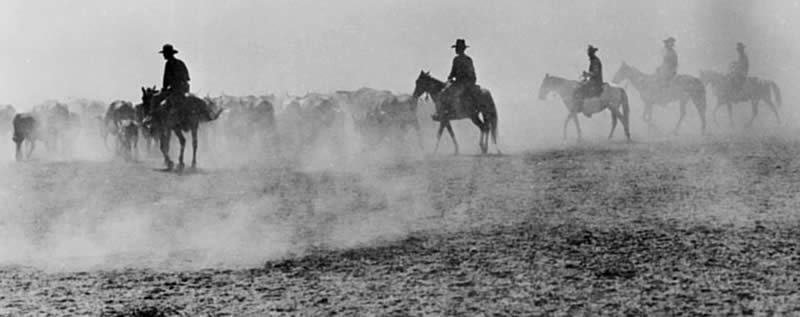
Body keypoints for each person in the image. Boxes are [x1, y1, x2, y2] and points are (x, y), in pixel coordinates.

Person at [438, 38, 482, 120]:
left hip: (462, 83)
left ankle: (454, 112)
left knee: (448, 93)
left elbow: (453, 72)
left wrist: (450, 78)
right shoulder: (468, 59)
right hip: (468, 82)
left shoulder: (457, 59)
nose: (456, 50)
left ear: (460, 49)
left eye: (457, 49)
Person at [154, 44, 190, 111]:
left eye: (164, 53)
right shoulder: (180, 63)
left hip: (175, 90)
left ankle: (153, 116)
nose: (163, 55)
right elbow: (187, 78)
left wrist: (165, 88)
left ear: (168, 54)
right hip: (184, 89)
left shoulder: (168, 64)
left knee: (155, 99)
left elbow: (165, 80)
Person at [573, 45, 603, 111]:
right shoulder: (594, 60)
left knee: (581, 89)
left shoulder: (594, 61)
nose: (588, 55)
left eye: (589, 53)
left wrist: (587, 74)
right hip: (595, 80)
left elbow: (595, 72)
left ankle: (585, 107)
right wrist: (587, 74)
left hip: (596, 82)